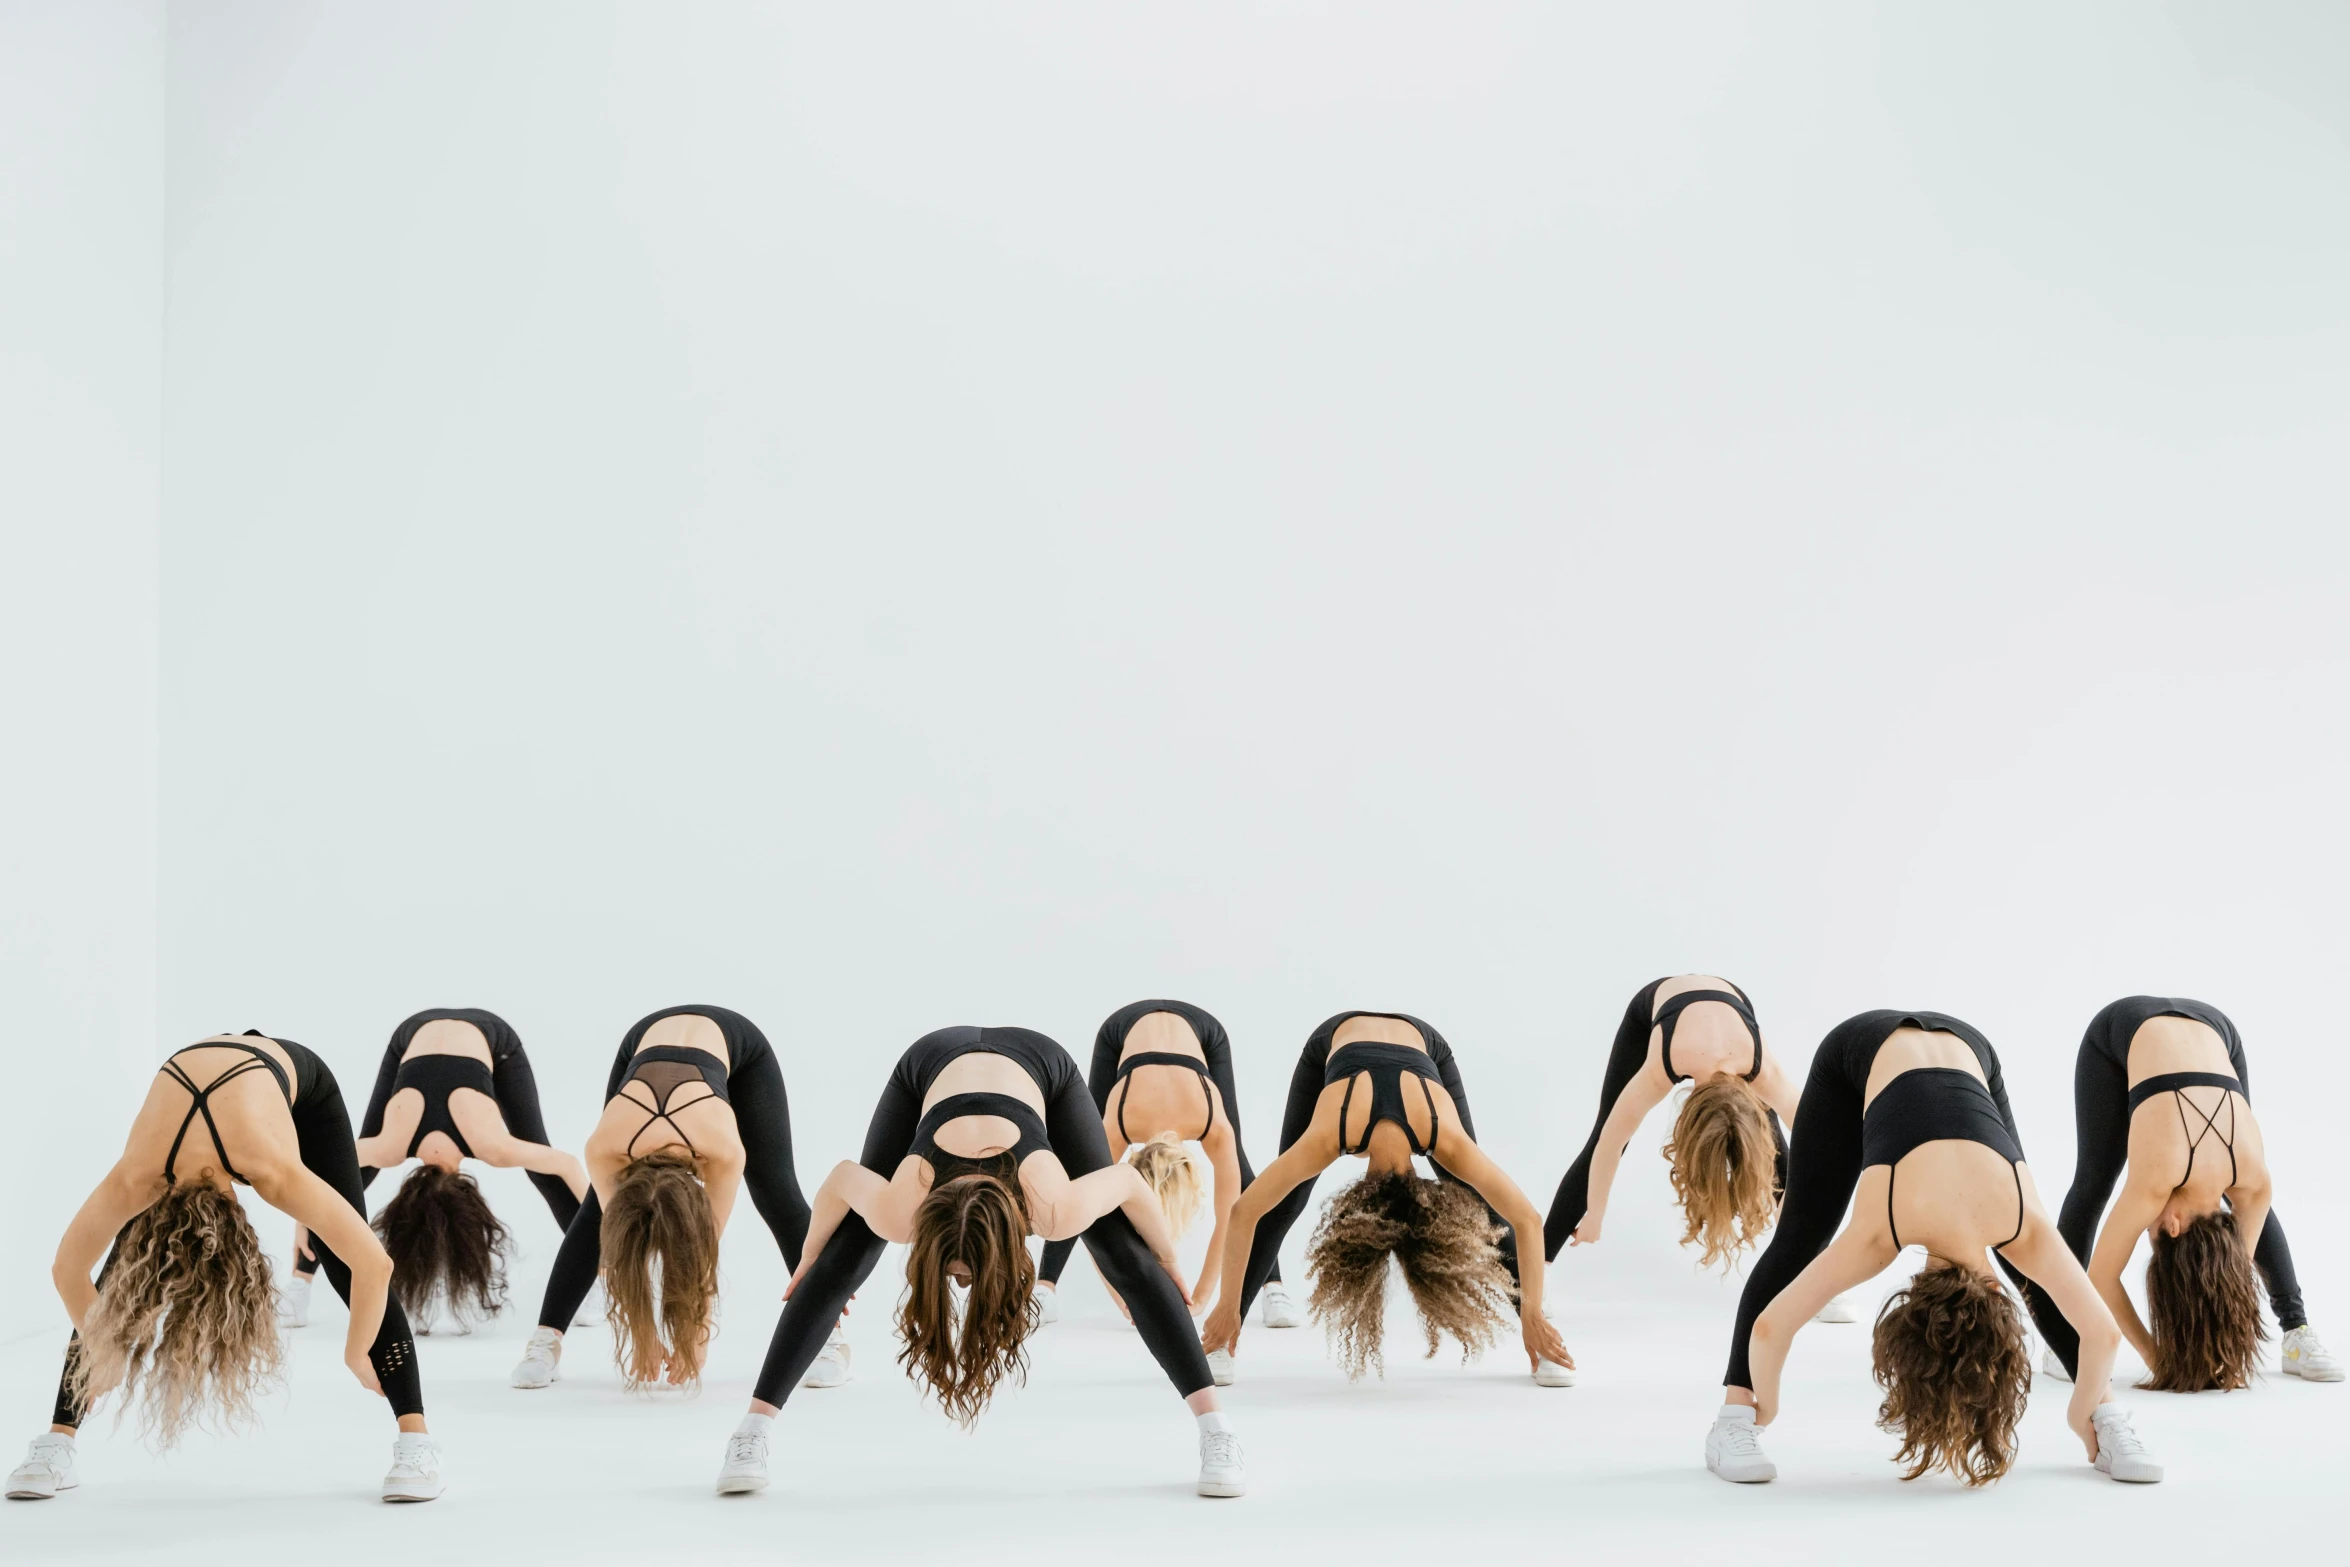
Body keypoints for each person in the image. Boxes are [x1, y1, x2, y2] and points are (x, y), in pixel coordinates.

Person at [714, 1025, 1245, 1499]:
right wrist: (808, 1260)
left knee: (1121, 1249)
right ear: (925, 1236)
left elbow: (1129, 1182)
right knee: (846, 1250)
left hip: (1042, 1067)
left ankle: (1216, 1431)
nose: (962, 1286)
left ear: (1017, 1243)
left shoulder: (1050, 1205)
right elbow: (841, 1177)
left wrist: (1169, 1260)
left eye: (960, 1276)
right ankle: (751, 1433)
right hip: (930, 1063)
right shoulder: (905, 1208)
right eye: (955, 1274)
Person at [1703, 1010, 2162, 1488]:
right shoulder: (1883, 1233)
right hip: (1866, 1052)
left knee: (2038, 1274)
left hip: (1969, 1048)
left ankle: (2110, 1421)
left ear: (1992, 1291)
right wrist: (2081, 1411)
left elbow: (2103, 1337)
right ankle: (1732, 1422)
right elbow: (1770, 1328)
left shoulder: (2016, 1222)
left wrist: (1769, 1405)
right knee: (1801, 1237)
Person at [6, 1032, 442, 1503]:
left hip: (299, 1081)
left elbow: (374, 1265)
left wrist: (356, 1353)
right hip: (213, 1071)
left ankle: (416, 1443)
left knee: (340, 1258)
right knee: (120, 1279)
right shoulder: (139, 1176)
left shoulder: (272, 1172)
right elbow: (66, 1269)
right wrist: (104, 1350)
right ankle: (57, 1442)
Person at [1198, 1011, 1573, 1388]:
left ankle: (1222, 1336)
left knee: (1484, 1206)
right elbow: (1527, 1219)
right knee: (1287, 1203)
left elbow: (1245, 1210)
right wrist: (1228, 1308)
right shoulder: (1350, 1134)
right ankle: (1538, 1334)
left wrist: (1224, 1305)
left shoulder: (1399, 1135)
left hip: (1420, 1046)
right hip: (1332, 1044)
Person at [505, 1006, 827, 1392]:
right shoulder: (604, 1148)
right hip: (643, 1041)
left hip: (740, 1045)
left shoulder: (723, 1152)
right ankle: (545, 1342)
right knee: (595, 1213)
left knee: (776, 1192)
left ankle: (828, 1340)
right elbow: (615, 1249)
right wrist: (641, 1333)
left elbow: (703, 1258)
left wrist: (698, 1334)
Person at [2029, 996, 2339, 1390]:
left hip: (2217, 1028)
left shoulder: (2254, 1183)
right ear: (2173, 1226)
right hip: (2122, 1027)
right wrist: (2154, 1357)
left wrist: (2221, 1350)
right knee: (2093, 1182)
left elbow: (2231, 1281)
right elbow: (2101, 1276)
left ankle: (2297, 1330)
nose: (2146, 1227)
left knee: (2103, 1190)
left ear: (2172, 1225)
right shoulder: (2160, 1180)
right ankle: (2066, 1337)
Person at [279, 1007, 586, 1334]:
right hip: (416, 1035)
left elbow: (567, 1164)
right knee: (351, 1173)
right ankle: (595, 1270)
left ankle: (300, 1286)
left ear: (471, 1194)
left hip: (472, 1036)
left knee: (541, 1163)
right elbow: (320, 1171)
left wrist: (310, 1218)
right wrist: (305, 1216)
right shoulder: (392, 1147)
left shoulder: (486, 1147)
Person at [1032, 999, 1301, 1330]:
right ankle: (1045, 1288)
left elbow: (1231, 1218)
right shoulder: (1116, 1126)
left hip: (1205, 1032)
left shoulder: (1214, 1126)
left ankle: (1273, 1286)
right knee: (1079, 1175)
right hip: (1120, 1032)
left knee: (1243, 1177)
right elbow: (1088, 1215)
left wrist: (1200, 1298)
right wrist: (1129, 1299)